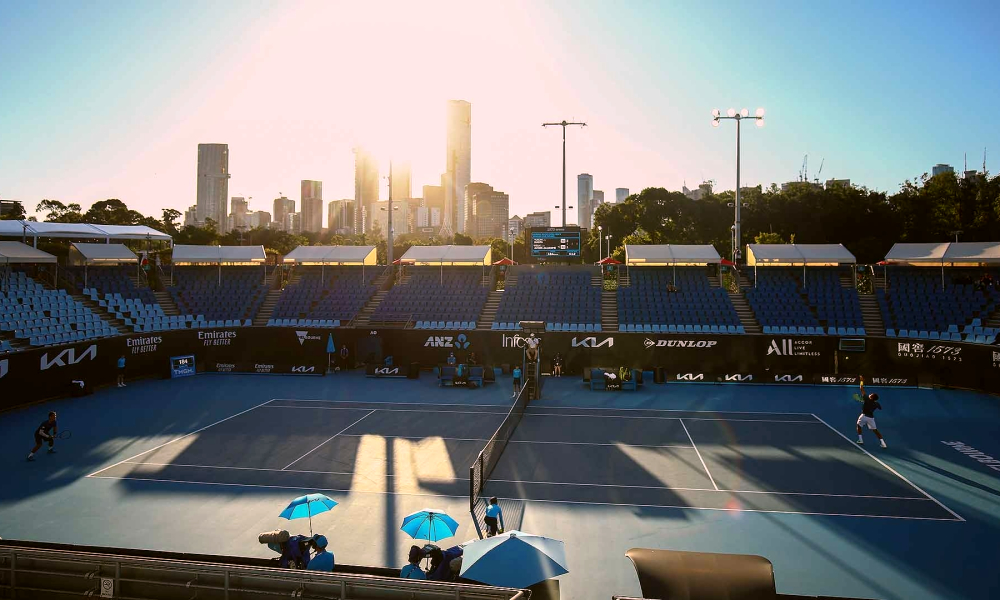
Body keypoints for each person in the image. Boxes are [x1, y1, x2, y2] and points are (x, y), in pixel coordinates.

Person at [856, 376, 887, 448]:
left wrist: (861, 381)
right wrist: (874, 403)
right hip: (871, 418)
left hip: (863, 416)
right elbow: (880, 408)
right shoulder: (876, 403)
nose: (869, 394)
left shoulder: (866, 398)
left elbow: (861, 388)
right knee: (875, 430)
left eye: (871, 394)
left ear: (871, 397)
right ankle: (883, 443)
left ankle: (860, 440)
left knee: (858, 426)